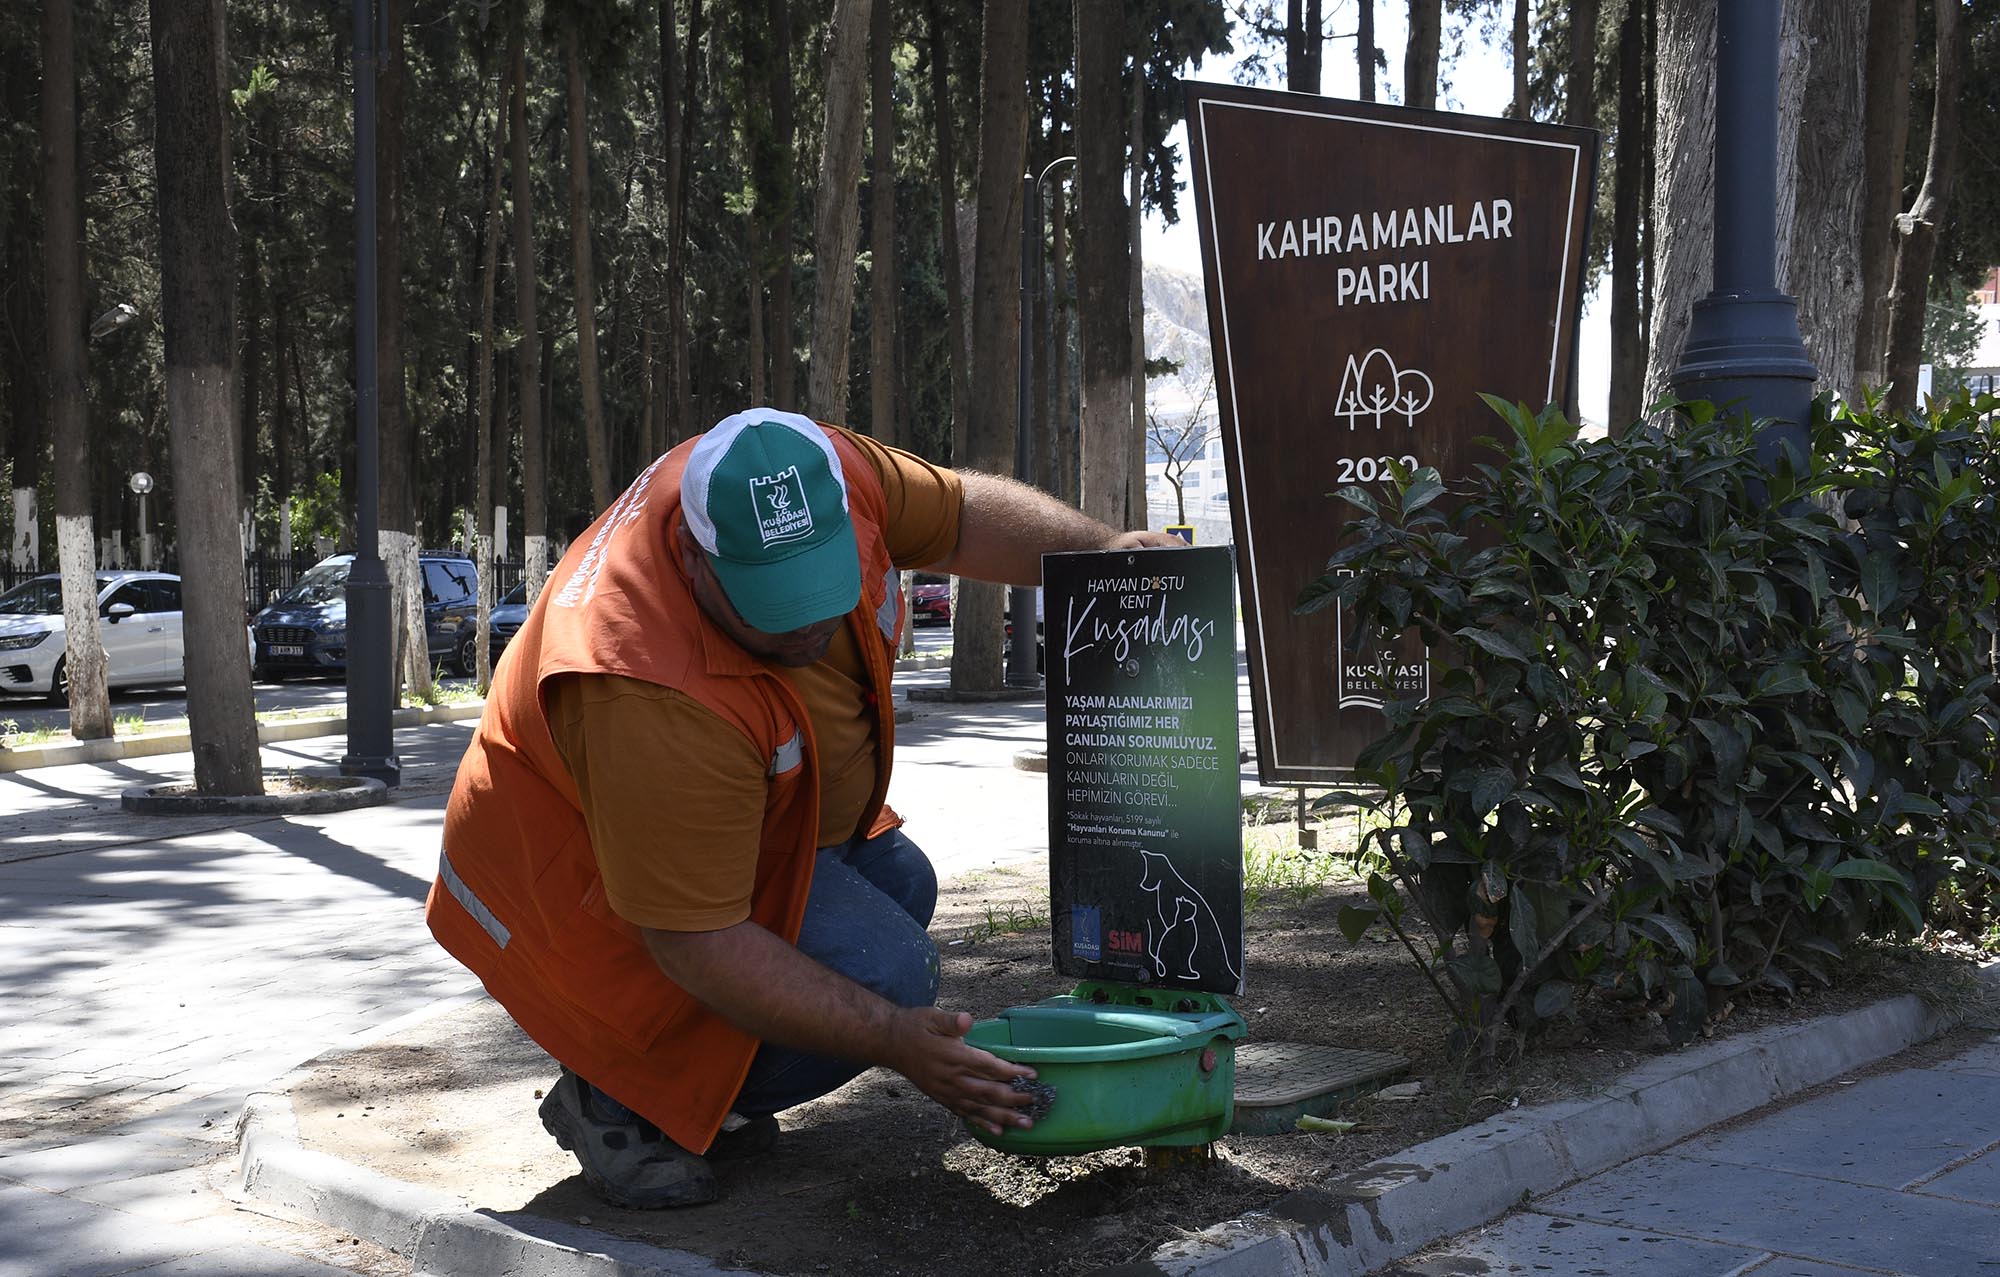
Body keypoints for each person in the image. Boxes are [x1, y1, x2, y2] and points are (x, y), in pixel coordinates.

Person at [427, 408, 1182, 1209]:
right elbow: (698, 941)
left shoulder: (814, 473)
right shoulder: (639, 682)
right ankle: (618, 1095)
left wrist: (1097, 549)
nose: (813, 627)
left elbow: (959, 516)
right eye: (775, 605)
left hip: (712, 837)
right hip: (573, 896)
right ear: (692, 556)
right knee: (889, 976)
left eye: (826, 587)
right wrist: (892, 1040)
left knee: (900, 881)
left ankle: (709, 1090)